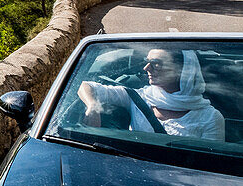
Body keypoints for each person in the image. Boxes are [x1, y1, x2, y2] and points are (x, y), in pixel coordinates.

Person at [77, 48, 225, 141]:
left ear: (182, 69)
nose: (146, 67)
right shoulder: (138, 97)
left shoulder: (210, 118)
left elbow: (211, 164)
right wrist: (92, 107)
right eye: (147, 62)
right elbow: (86, 86)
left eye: (156, 63)